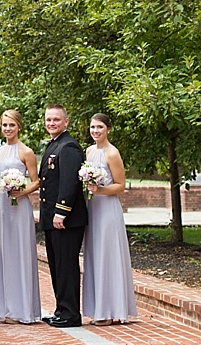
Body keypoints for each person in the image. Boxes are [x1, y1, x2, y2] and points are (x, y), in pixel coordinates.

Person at [82, 113, 137, 326]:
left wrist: (100, 189)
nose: (95, 131)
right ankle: (98, 308)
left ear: (108, 129)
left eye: (100, 127)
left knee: (108, 255)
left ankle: (112, 309)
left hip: (107, 209)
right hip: (93, 208)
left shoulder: (112, 153)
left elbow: (120, 185)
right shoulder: (89, 151)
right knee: (95, 255)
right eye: (93, 127)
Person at [38, 104, 88, 328]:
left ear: (66, 122)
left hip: (65, 219)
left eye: (56, 119)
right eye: (48, 120)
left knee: (66, 266)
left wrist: (61, 211)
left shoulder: (68, 147)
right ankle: (61, 309)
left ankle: (70, 314)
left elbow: (69, 183)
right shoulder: (54, 144)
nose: (51, 123)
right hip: (52, 218)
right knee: (57, 266)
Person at [0, 109, 42, 325]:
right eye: (4, 125)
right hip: (3, 207)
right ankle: (5, 307)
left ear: (19, 126)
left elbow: (36, 181)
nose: (8, 128)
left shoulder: (26, 151)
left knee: (19, 254)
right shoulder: (0, 150)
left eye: (11, 125)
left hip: (19, 209)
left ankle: (22, 309)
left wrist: (21, 192)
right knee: (4, 255)